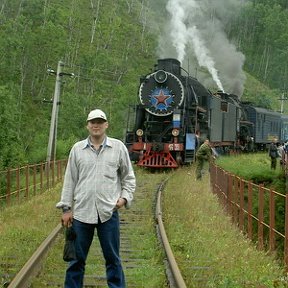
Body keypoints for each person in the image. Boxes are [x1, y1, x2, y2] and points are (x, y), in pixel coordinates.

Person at [56, 108, 136, 288]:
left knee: (113, 260)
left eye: (100, 122)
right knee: (76, 261)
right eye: (93, 122)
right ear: (88, 126)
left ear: (106, 125)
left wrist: (124, 199)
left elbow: (128, 177)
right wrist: (66, 209)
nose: (96, 125)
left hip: (108, 213)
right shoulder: (77, 149)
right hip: (82, 215)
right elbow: (70, 180)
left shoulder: (118, 148)